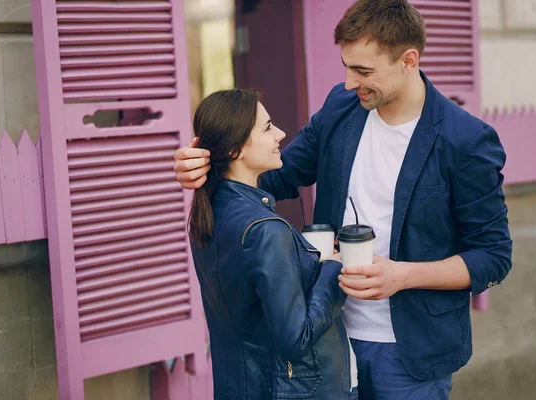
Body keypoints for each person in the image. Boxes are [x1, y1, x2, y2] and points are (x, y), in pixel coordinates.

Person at [176, 1, 513, 399]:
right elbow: (279, 177)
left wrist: (402, 276)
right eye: (347, 67)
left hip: (412, 356)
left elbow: (493, 257)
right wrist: (208, 168)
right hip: (328, 340)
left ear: (408, 60)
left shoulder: (467, 141)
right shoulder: (342, 105)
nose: (351, 83)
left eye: (364, 71)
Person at [188, 89, 358, 400]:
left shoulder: (210, 211)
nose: (280, 134)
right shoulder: (265, 229)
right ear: (236, 149)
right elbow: (296, 338)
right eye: (267, 128)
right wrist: (333, 268)